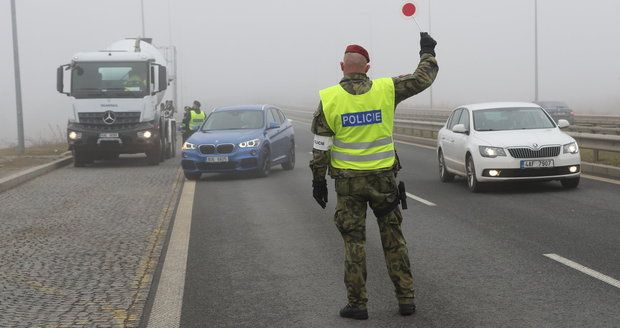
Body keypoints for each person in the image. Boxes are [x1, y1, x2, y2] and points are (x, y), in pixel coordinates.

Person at [309, 33, 438, 320]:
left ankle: (358, 304)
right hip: (383, 181)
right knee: (393, 239)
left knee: (354, 242)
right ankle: (406, 299)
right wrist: (426, 51)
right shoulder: (386, 89)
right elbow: (423, 78)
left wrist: (318, 181)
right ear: (368, 68)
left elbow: (321, 147)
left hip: (349, 184)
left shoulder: (328, 100)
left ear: (342, 66)